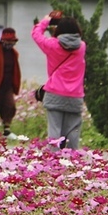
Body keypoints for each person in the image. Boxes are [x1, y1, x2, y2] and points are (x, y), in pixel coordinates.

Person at [31, 10, 86, 149]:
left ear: (59, 30)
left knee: (54, 130)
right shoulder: (82, 47)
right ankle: (72, 160)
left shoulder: (51, 45)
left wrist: (46, 21)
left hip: (54, 93)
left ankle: (54, 160)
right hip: (75, 95)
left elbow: (36, 35)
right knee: (73, 131)